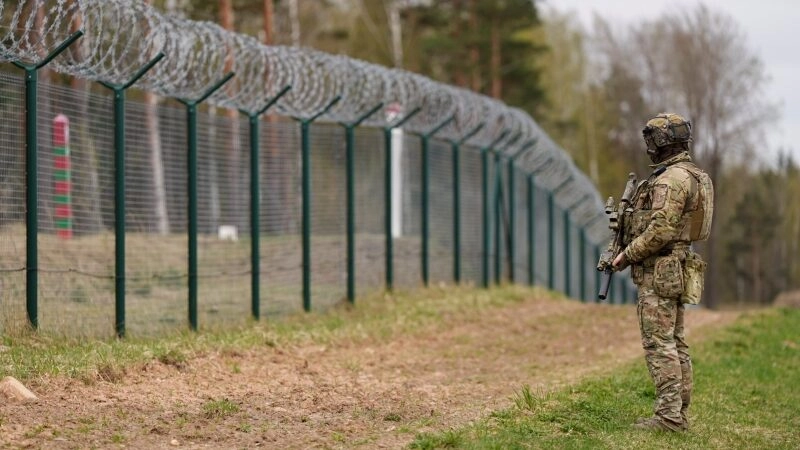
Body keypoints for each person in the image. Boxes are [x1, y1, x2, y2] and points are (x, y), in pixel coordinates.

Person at [612, 112, 714, 432]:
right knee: (676, 341)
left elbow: (660, 231)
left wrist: (625, 256)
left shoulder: (670, 180)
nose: (649, 148)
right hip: (679, 265)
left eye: (652, 141)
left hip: (660, 269)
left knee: (659, 343)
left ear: (662, 144)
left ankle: (669, 417)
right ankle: (678, 414)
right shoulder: (694, 175)